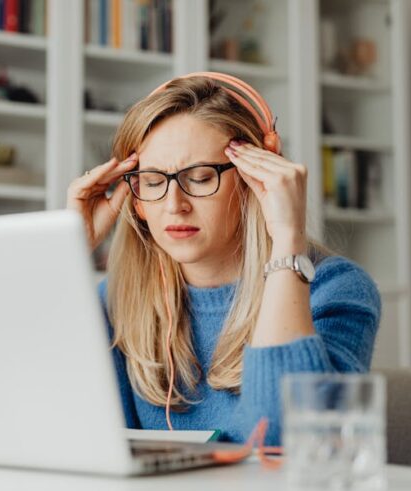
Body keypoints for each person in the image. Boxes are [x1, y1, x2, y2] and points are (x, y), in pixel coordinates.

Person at [66, 73, 381, 445]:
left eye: (199, 178)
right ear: (134, 198)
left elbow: (283, 440)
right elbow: (68, 429)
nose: (174, 205)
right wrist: (68, 252)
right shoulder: (116, 300)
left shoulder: (336, 290)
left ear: (255, 179)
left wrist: (286, 243)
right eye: (152, 182)